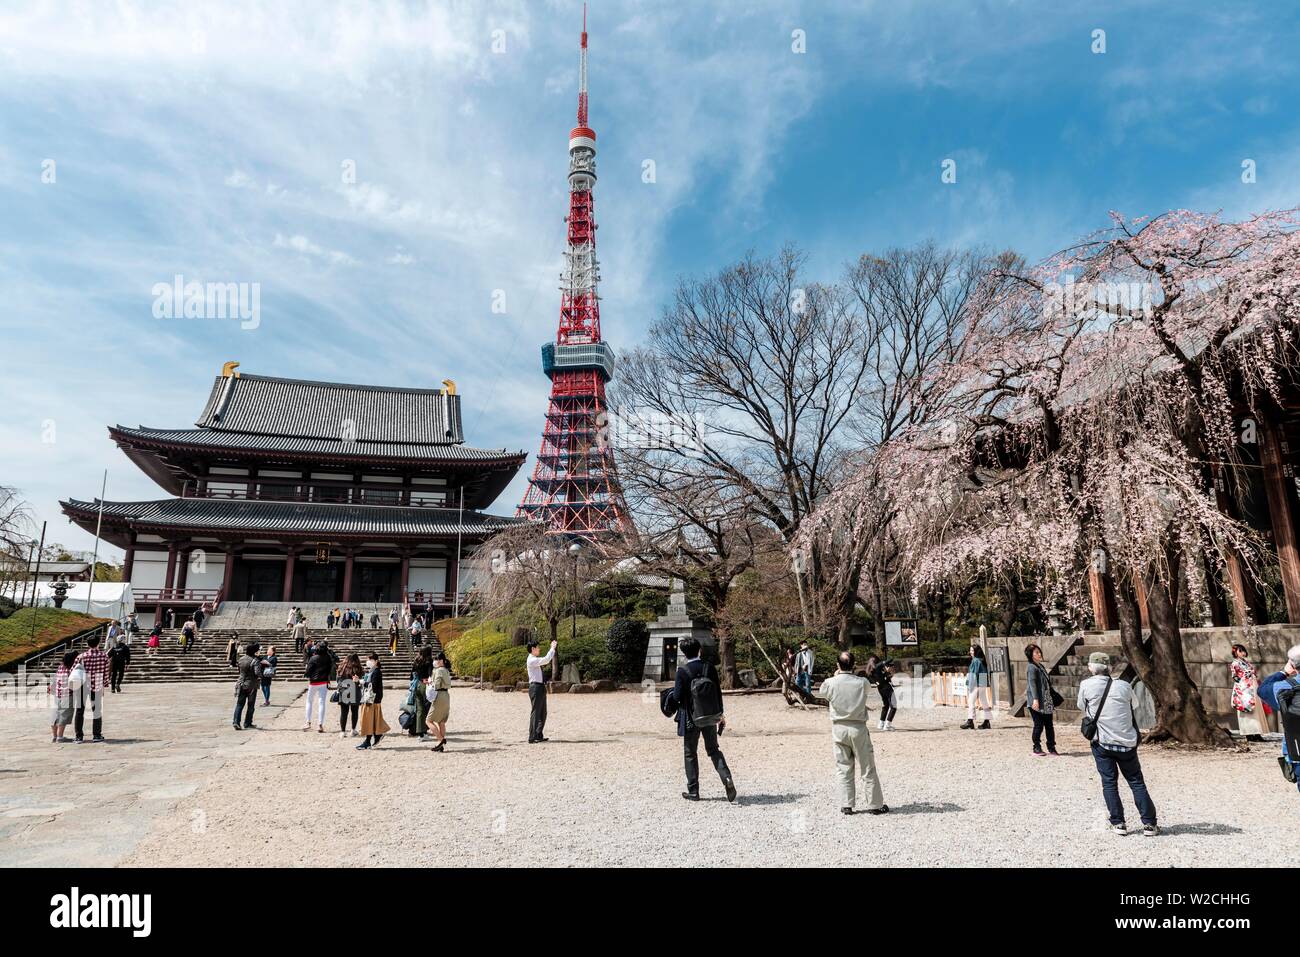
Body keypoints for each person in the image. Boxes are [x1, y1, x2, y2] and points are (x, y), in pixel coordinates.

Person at [1078, 652, 1158, 836]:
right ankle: (1149, 824)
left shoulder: (1086, 685)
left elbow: (1082, 707)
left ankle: (1118, 823)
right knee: (1136, 782)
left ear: (1091, 668)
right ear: (1109, 668)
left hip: (1102, 742)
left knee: (1109, 783)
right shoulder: (1124, 686)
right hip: (1126, 741)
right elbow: (1134, 705)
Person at [816, 651, 888, 815]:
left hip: (839, 728)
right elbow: (868, 689)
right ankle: (874, 804)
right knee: (867, 767)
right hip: (858, 727)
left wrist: (836, 675)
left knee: (843, 767)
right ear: (854, 665)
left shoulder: (829, 682)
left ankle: (846, 804)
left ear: (837, 665)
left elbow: (823, 693)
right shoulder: (862, 682)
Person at [672, 637, 736, 802]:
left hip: (691, 718)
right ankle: (726, 778)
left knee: (690, 753)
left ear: (684, 654)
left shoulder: (682, 671)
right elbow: (717, 693)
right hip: (710, 715)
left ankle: (693, 791)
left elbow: (677, 696)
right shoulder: (709, 667)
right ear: (699, 649)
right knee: (714, 750)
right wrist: (720, 714)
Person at [1256, 643, 1300, 794]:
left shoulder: (1283, 688)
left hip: (1297, 749)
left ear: (1293, 665)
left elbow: (1262, 689)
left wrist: (1284, 672)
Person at [73, 634, 110, 743]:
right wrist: (105, 685)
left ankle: (79, 736)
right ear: (98, 643)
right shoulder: (104, 656)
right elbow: (106, 673)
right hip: (97, 684)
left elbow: (73, 671)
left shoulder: (81, 656)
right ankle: (96, 735)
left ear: (87, 644)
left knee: (80, 711)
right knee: (97, 711)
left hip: (82, 685)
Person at [1025, 642, 1060, 756]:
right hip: (1036, 700)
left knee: (1049, 725)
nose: (1039, 654)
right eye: (1036, 652)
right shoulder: (1031, 667)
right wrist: (1035, 699)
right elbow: (1032, 684)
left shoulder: (1040, 666)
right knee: (1039, 724)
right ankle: (1036, 746)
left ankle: (1051, 746)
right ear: (1031, 655)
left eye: (1039, 652)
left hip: (1046, 699)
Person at [1230, 644, 1266, 738]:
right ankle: (1248, 734)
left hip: (1252, 687)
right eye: (1240, 651)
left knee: (1255, 710)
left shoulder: (1246, 662)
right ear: (1235, 652)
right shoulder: (1235, 663)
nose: (1243, 653)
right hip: (1243, 689)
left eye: (1243, 651)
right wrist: (1246, 677)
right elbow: (1235, 677)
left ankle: (1257, 733)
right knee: (1246, 710)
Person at [526, 637, 557, 744]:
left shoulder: (533, 659)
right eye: (538, 647)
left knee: (543, 712)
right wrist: (552, 648)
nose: (539, 649)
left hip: (540, 687)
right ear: (533, 649)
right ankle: (532, 736)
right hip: (535, 687)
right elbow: (546, 660)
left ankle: (538, 734)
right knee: (536, 712)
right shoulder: (531, 660)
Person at [357, 653, 389, 749]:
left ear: (376, 661)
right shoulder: (372, 671)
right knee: (372, 719)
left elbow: (373, 686)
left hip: (373, 699)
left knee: (368, 719)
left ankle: (369, 740)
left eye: (370, 660)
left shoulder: (377, 672)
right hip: (371, 698)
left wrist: (361, 682)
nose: (368, 662)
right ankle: (375, 736)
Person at [960, 645, 992, 730]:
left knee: (971, 702)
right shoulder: (982, 660)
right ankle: (987, 721)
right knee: (984, 702)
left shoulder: (975, 661)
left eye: (972, 651)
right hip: (982, 683)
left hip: (976, 684)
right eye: (970, 650)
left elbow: (973, 674)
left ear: (976, 651)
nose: (971, 652)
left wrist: (969, 684)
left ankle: (970, 721)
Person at [233, 641, 264, 730]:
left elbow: (239, 671)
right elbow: (257, 673)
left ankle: (236, 722)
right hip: (251, 685)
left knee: (239, 704)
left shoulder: (241, 659)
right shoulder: (255, 660)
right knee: (250, 705)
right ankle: (248, 722)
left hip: (240, 683)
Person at [304, 640, 332, 733]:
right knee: (322, 702)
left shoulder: (313, 658)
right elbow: (330, 669)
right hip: (323, 681)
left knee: (309, 701)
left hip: (314, 682)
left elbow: (308, 672)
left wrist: (308, 674)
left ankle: (308, 722)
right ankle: (320, 724)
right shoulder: (328, 657)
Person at [49, 650, 77, 744]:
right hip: (67, 694)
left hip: (58, 693)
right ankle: (60, 737)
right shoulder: (72, 668)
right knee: (63, 716)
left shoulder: (60, 666)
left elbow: (55, 678)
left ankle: (54, 736)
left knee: (55, 715)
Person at [427, 652, 452, 752]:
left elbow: (436, 684)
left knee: (428, 720)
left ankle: (441, 739)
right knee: (441, 721)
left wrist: (430, 683)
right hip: (446, 695)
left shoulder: (438, 671)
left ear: (441, 660)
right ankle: (439, 745)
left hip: (439, 695)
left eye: (437, 659)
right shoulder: (446, 670)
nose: (435, 661)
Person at [408, 645, 434, 739]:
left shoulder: (417, 660)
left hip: (417, 685)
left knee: (419, 710)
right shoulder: (429, 661)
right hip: (425, 685)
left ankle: (420, 733)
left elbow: (412, 674)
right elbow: (431, 673)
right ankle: (425, 731)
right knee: (427, 709)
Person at [337, 654, 363, 738]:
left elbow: (338, 679)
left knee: (344, 712)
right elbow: (361, 679)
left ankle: (342, 731)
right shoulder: (357, 668)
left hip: (344, 690)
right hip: (354, 690)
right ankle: (353, 730)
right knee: (354, 711)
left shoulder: (342, 667)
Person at [869, 657, 898, 731]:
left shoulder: (871, 671)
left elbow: (883, 678)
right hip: (886, 688)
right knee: (893, 706)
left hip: (880, 688)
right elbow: (888, 660)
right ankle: (887, 725)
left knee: (886, 705)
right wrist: (893, 657)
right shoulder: (877, 667)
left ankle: (881, 724)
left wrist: (887, 672)